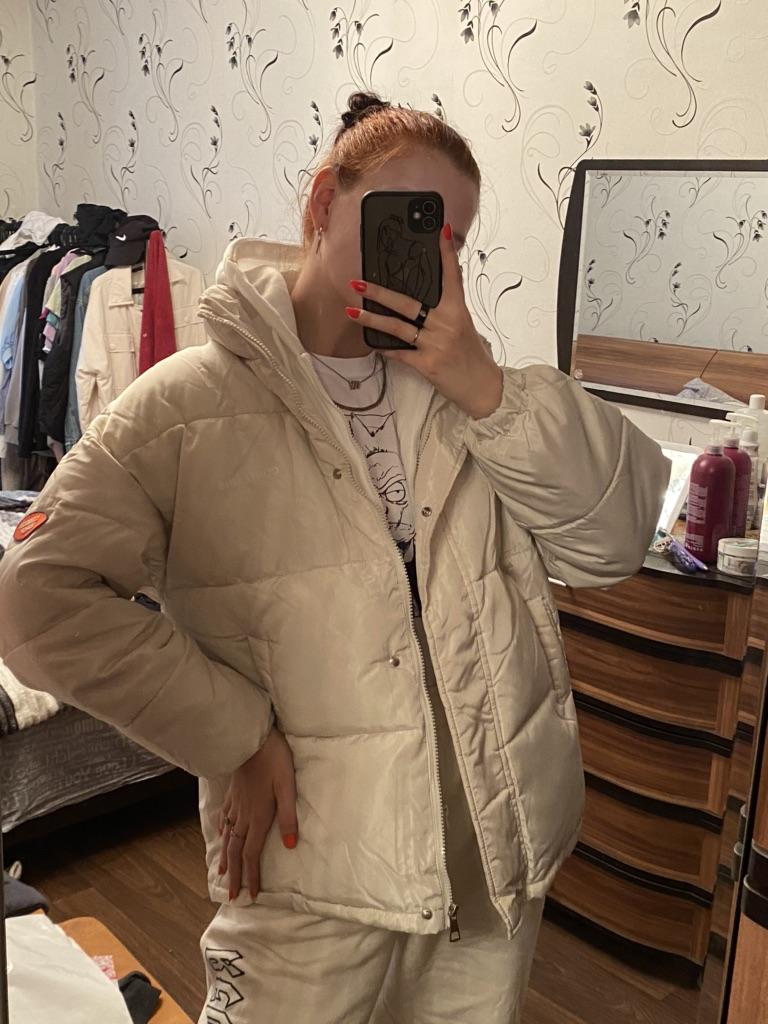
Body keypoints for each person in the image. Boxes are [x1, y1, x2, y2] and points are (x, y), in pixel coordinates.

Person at [0, 93, 670, 1023]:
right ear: (323, 203)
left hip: (488, 865)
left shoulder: (480, 400)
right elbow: (36, 600)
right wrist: (235, 733)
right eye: (409, 221)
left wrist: (483, 382)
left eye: (452, 241)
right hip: (308, 867)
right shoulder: (185, 406)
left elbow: (616, 538)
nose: (428, 256)